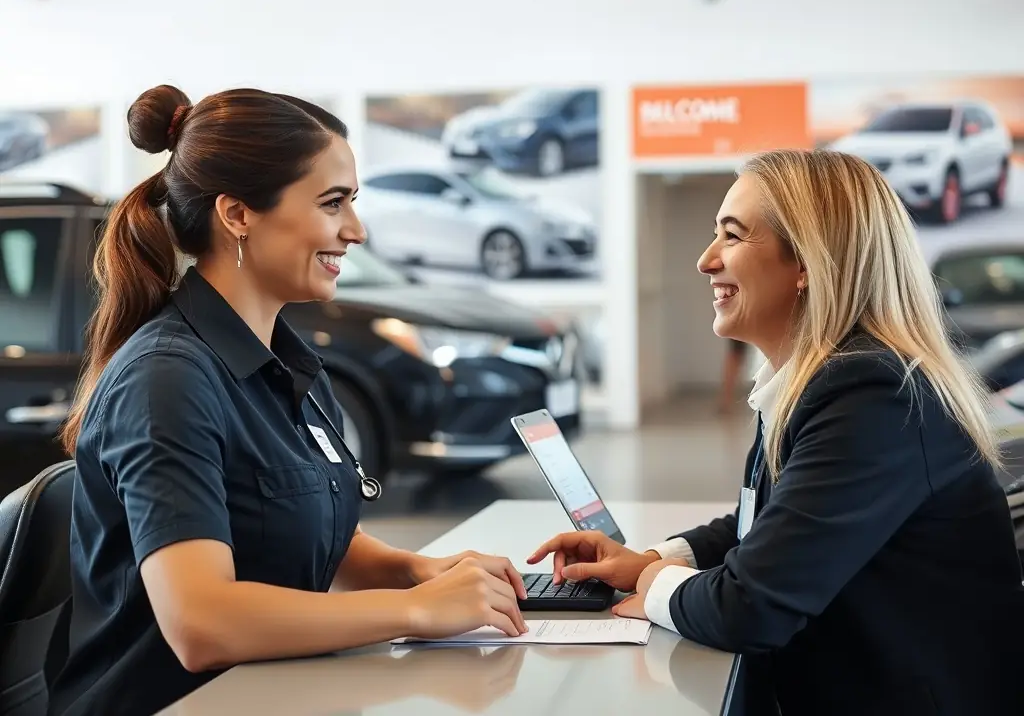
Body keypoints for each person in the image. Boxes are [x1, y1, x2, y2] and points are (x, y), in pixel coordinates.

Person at [45, 86, 530, 716]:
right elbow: (201, 623)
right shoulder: (167, 380)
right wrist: (413, 609)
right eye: (333, 203)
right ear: (238, 214)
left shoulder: (286, 362)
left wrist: (414, 571)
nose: (355, 230)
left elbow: (299, 525)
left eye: (352, 202)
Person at [529, 149, 1024, 715]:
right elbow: (772, 521)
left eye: (732, 236)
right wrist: (651, 560)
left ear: (807, 263)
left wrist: (654, 584)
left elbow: (750, 608)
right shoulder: (826, 380)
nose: (706, 260)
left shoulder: (872, 395)